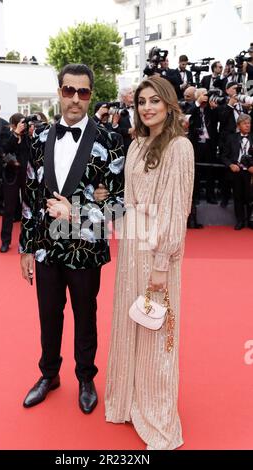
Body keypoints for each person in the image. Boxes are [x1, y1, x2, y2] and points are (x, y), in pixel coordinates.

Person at [20, 63, 125, 414]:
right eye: (69, 91)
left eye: (83, 92)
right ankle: (49, 375)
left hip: (85, 250)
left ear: (91, 95)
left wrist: (77, 211)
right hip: (46, 250)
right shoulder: (37, 139)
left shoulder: (110, 141)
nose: (75, 99)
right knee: (48, 315)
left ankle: (85, 377)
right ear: (59, 91)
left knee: (85, 314)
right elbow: (31, 197)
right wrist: (25, 247)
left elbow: (120, 205)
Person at [105, 75, 194, 450]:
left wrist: (162, 261)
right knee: (131, 320)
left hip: (158, 248)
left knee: (157, 328)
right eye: (142, 101)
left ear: (169, 104)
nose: (147, 107)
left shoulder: (180, 147)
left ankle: (155, 408)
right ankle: (127, 399)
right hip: (131, 245)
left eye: (155, 100)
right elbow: (127, 201)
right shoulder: (137, 145)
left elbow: (176, 209)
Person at [0, 113, 31, 253]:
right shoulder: (6, 134)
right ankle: (5, 241)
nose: (23, 126)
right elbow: (4, 150)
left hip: (26, 177)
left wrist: (28, 133)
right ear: (13, 124)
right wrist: (15, 133)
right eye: (20, 123)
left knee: (27, 210)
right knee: (9, 210)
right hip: (10, 177)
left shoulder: (27, 137)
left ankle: (25, 241)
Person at [221, 114, 253, 230]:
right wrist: (230, 165)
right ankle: (240, 221)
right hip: (236, 172)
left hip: (250, 173)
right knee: (238, 197)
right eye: (245, 123)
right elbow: (223, 156)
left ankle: (250, 220)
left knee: (250, 197)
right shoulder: (231, 138)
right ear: (239, 126)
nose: (248, 125)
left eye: (249, 123)